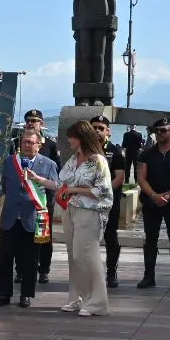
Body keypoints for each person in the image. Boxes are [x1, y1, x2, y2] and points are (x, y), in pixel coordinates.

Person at [0, 127, 58, 308]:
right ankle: (4, 294)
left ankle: (26, 294)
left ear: (39, 145)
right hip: (11, 217)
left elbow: (54, 189)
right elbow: (4, 186)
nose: (27, 145)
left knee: (30, 259)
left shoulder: (48, 164)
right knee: (5, 256)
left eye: (31, 142)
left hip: (33, 217)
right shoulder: (10, 161)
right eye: (24, 142)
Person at [55, 120, 112, 316]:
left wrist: (74, 190)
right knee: (73, 256)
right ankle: (77, 297)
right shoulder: (74, 158)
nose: (69, 141)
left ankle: (98, 302)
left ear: (80, 138)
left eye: (71, 137)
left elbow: (103, 191)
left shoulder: (98, 161)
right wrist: (38, 179)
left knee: (86, 256)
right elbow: (61, 183)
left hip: (89, 213)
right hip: (70, 211)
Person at [136, 118, 170, 290]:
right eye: (156, 130)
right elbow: (141, 178)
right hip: (151, 203)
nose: (159, 133)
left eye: (163, 130)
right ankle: (149, 277)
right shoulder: (146, 154)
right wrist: (154, 196)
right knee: (150, 240)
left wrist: (167, 196)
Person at [12, 110, 62, 283]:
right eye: (28, 120)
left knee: (44, 236)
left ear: (42, 124)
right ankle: (20, 270)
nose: (30, 123)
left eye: (35, 120)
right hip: (22, 199)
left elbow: (56, 173)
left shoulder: (51, 145)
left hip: (43, 199)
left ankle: (44, 269)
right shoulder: (17, 143)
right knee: (19, 235)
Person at [92, 116, 127, 289]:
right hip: (88, 202)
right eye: (94, 128)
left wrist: (102, 194)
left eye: (101, 128)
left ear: (108, 131)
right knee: (88, 239)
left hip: (109, 202)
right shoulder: (84, 150)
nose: (97, 131)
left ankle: (111, 272)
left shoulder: (116, 151)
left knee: (110, 237)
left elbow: (119, 177)